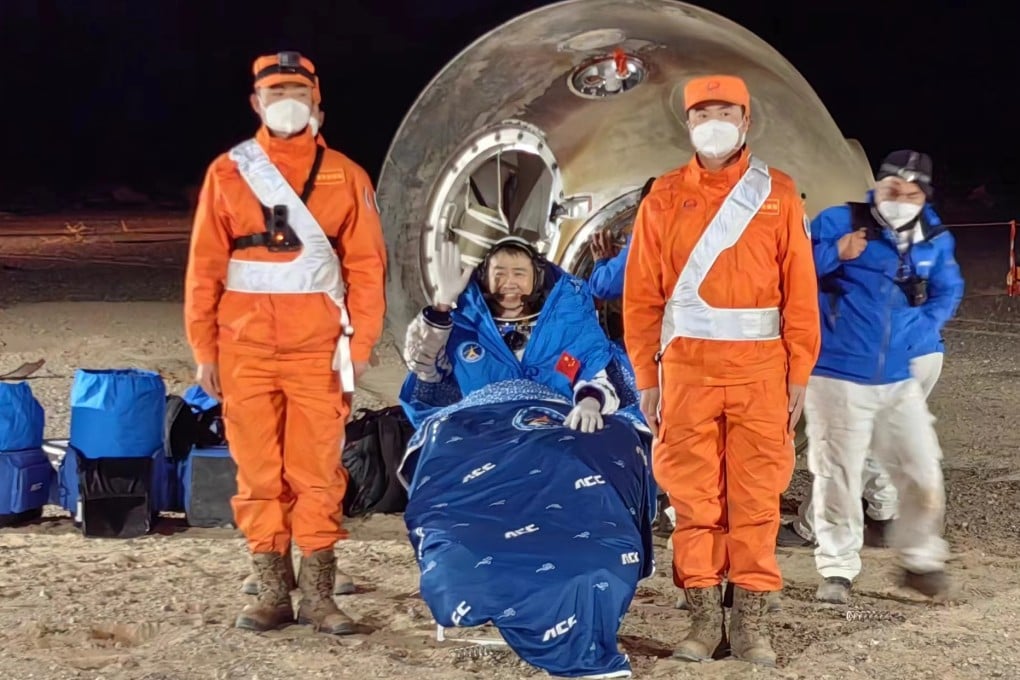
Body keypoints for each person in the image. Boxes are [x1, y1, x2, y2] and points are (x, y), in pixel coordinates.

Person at [184, 50, 388, 635]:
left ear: (318, 101)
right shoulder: (227, 172)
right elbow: (204, 267)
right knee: (258, 473)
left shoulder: (346, 175)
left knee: (318, 471)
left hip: (319, 350)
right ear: (256, 103)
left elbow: (369, 267)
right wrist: (204, 350)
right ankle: (271, 587)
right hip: (242, 349)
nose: (287, 102)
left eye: (297, 91)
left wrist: (362, 344)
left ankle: (319, 595)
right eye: (275, 92)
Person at [622, 74, 820, 667]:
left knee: (758, 497)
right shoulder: (661, 196)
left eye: (725, 111)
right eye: (702, 112)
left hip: (762, 371)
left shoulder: (779, 193)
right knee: (693, 499)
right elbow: (642, 299)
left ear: (746, 120)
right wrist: (647, 381)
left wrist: (799, 373)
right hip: (685, 373)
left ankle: (753, 624)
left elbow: (800, 294)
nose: (714, 121)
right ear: (687, 123)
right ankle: (705, 622)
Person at [805, 150, 963, 604]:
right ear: (878, 185)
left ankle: (920, 558)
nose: (900, 198)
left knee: (921, 467)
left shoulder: (932, 235)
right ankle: (837, 568)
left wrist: (924, 326)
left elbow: (948, 288)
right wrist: (835, 252)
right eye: (892, 189)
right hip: (837, 372)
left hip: (898, 376)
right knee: (838, 472)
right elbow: (794, 270)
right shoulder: (838, 221)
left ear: (923, 195)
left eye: (911, 193)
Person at [779, 199, 950, 550]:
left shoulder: (834, 242)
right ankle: (884, 515)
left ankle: (813, 527)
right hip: (926, 351)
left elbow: (794, 274)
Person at [403, 235, 621, 430]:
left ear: (537, 278)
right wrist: (441, 306)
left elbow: (593, 373)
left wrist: (590, 402)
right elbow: (424, 368)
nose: (509, 283)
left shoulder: (569, 326)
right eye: (499, 274)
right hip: (480, 440)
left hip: (554, 436)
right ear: (484, 279)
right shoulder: (460, 330)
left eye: (519, 274)